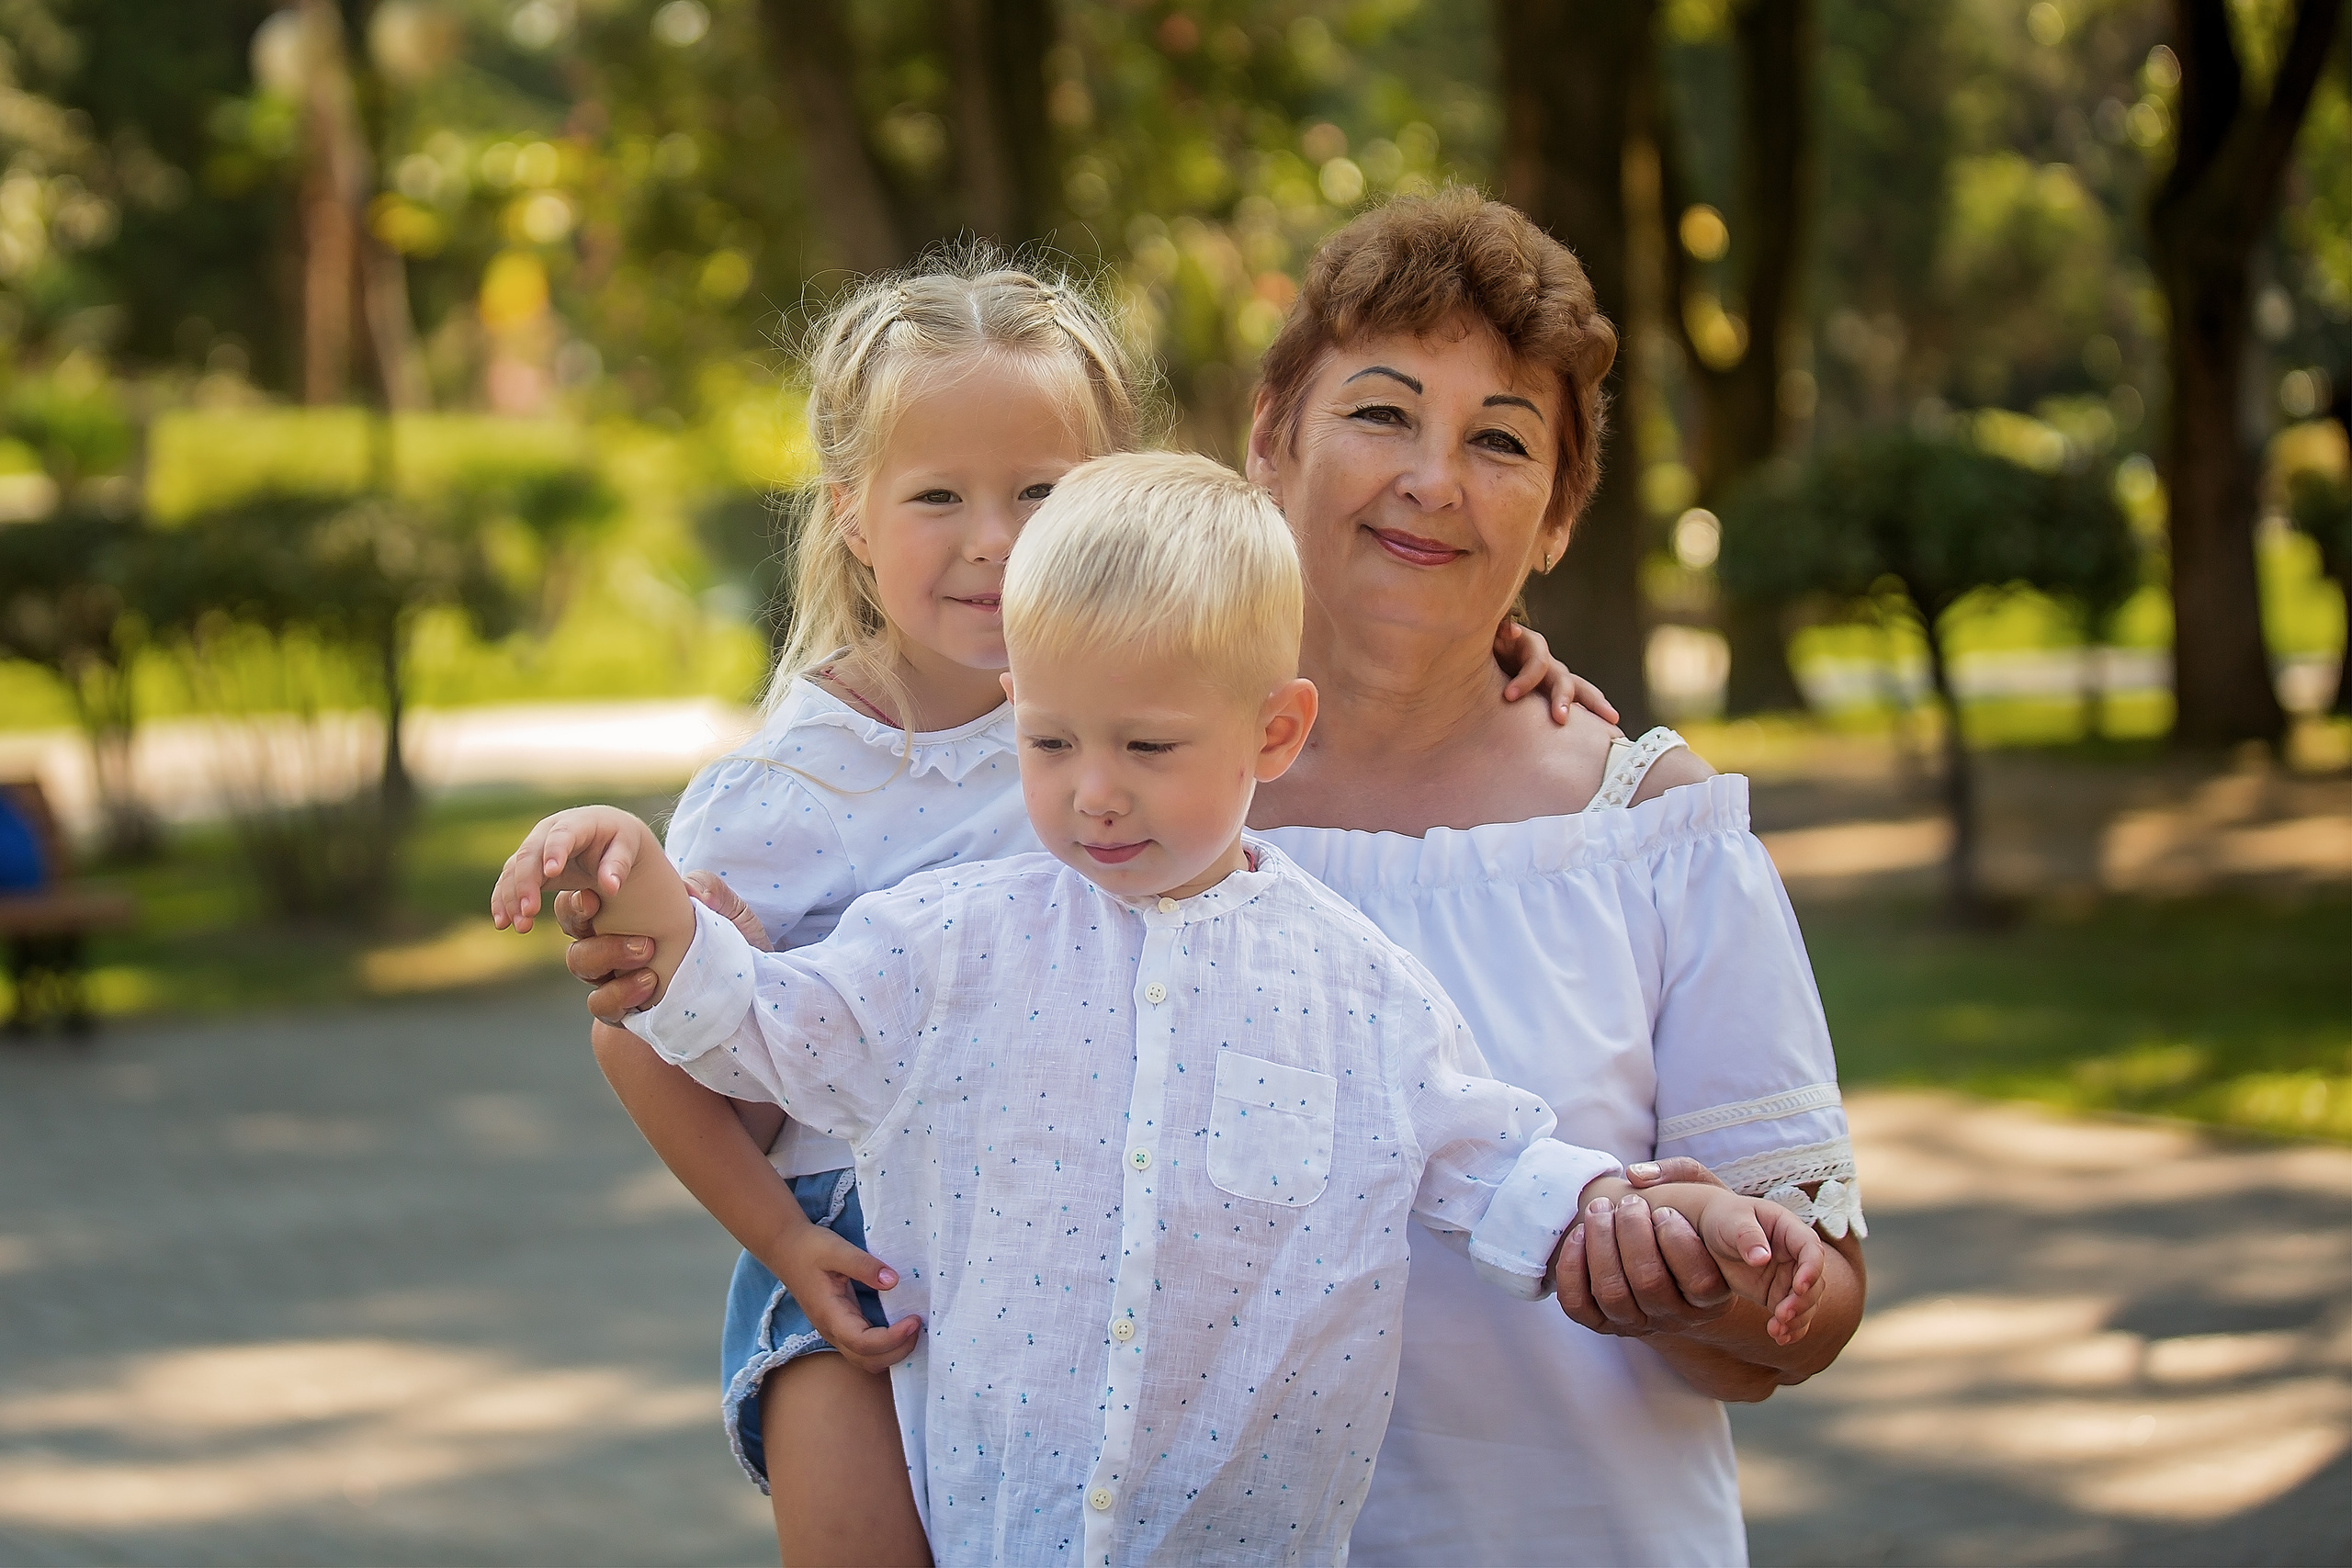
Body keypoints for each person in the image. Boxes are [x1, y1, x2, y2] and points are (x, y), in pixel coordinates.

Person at [493, 452, 1828, 1567]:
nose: (1094, 796)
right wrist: (658, 909)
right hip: (1000, 1532)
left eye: (1148, 747)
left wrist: (1640, 1212)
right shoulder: (947, 941)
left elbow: (1494, 1163)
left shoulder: (1352, 984)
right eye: (1053, 742)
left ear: (1274, 732)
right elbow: (769, 1027)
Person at [558, 253, 1604, 1565]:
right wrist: (779, 1239)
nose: (994, 539)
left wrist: (1503, 652)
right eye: (938, 495)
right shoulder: (784, 788)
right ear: (851, 517)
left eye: (1039, 495)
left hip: (1064, 1218)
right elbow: (651, 1027)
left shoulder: (1116, 704)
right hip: (844, 1237)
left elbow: (1277, 663)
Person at [1242, 187, 1870, 1566]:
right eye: (1382, 413)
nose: (1434, 478)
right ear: (1270, 441)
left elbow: (1810, 1306)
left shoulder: (1649, 832)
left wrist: (1702, 1272)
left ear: (1559, 517)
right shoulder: (1124, 804)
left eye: (1501, 441)